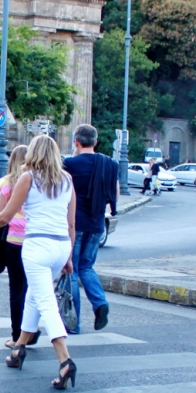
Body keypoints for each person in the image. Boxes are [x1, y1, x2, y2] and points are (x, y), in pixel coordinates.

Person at [0, 134, 77, 390]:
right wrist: (69, 256)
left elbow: (6, 215)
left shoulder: (28, 177)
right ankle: (19, 348)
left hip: (37, 246)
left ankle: (65, 360)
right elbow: (71, 223)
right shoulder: (67, 179)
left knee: (45, 302)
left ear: (33, 153)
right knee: (34, 297)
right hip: (61, 245)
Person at [63, 124, 118, 334]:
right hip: (96, 223)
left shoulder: (70, 164)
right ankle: (100, 302)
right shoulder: (109, 164)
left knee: (72, 270)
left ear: (76, 141)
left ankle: (73, 323)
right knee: (87, 267)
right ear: (96, 142)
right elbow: (115, 193)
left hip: (75, 224)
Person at [0, 144, 34, 349]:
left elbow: (1, 214)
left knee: (16, 288)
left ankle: (17, 335)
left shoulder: (9, 182)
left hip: (15, 240)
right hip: (34, 238)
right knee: (31, 288)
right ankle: (31, 330)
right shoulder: (37, 181)